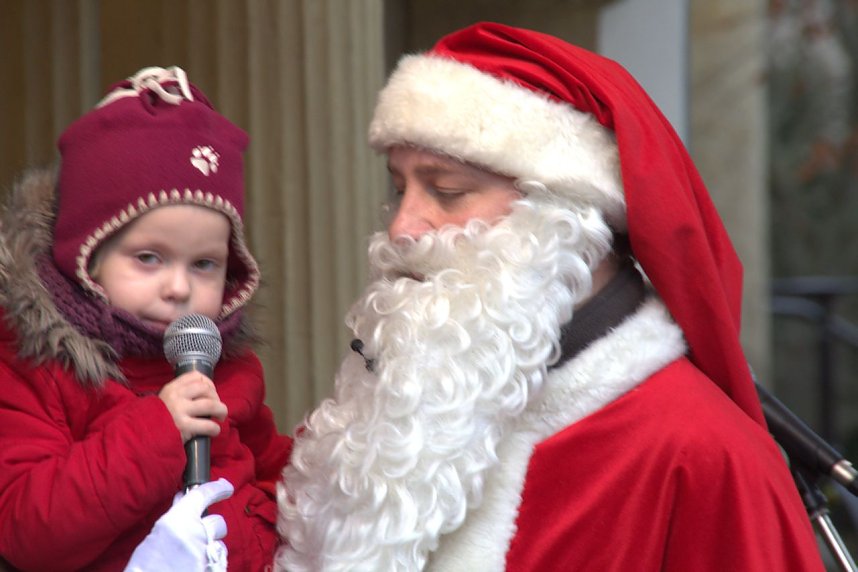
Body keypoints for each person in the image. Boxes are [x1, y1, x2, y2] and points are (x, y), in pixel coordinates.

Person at [274, 22, 825, 571]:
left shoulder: (702, 457)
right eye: (400, 188)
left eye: (447, 191)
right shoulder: (400, 412)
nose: (403, 228)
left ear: (565, 214)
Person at [0, 66, 291, 571]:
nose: (179, 287)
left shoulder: (230, 372)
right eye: (148, 258)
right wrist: (159, 429)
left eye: (204, 264)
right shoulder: (36, 367)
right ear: (86, 258)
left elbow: (279, 478)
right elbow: (27, 527)